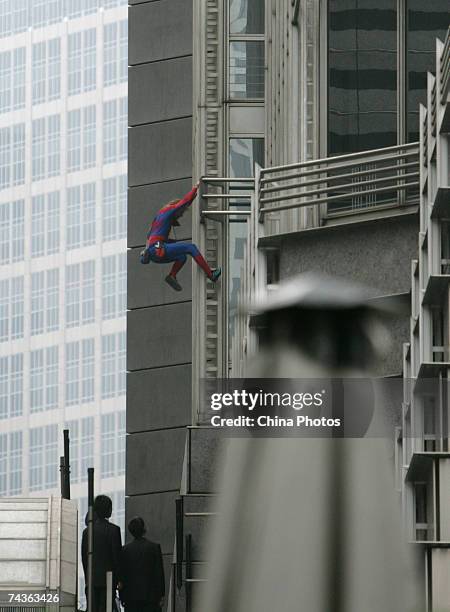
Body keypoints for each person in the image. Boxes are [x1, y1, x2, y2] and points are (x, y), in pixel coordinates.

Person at [140, 183, 221, 292]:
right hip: (157, 249)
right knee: (190, 247)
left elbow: (151, 236)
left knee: (182, 257)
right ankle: (211, 274)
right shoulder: (169, 210)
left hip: (155, 254)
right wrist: (195, 188)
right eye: (181, 214)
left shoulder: (159, 217)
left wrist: (193, 197)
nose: (181, 216)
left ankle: (172, 275)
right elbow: (183, 202)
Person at [81, 495, 122, 612]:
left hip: (91, 580)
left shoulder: (86, 531)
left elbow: (84, 559)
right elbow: (117, 558)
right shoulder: (114, 530)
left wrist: (88, 577)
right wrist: (118, 579)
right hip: (108, 581)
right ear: (108, 509)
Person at [119, 517, 165, 612]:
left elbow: (122, 575)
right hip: (151, 598)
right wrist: (161, 595)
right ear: (144, 528)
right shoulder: (154, 547)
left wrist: (122, 596)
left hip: (130, 598)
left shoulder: (124, 550)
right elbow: (159, 573)